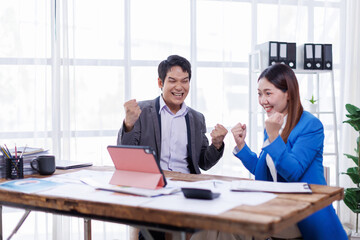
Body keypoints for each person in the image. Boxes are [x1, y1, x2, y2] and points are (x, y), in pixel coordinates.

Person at [230, 63, 347, 240]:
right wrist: (241, 146)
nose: (262, 101)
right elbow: (265, 171)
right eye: (260, 94)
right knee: (221, 223)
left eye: (268, 93)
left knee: (231, 226)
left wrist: (273, 135)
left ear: (289, 93)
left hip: (304, 212)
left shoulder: (310, 125)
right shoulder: (273, 123)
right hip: (278, 206)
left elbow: (292, 172)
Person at [117, 55, 228, 240]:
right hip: (154, 187)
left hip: (187, 188)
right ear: (160, 82)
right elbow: (125, 156)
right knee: (154, 228)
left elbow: (203, 162)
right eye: (173, 81)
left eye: (185, 81)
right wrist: (128, 124)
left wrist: (217, 145)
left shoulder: (196, 118)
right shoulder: (141, 112)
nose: (179, 87)